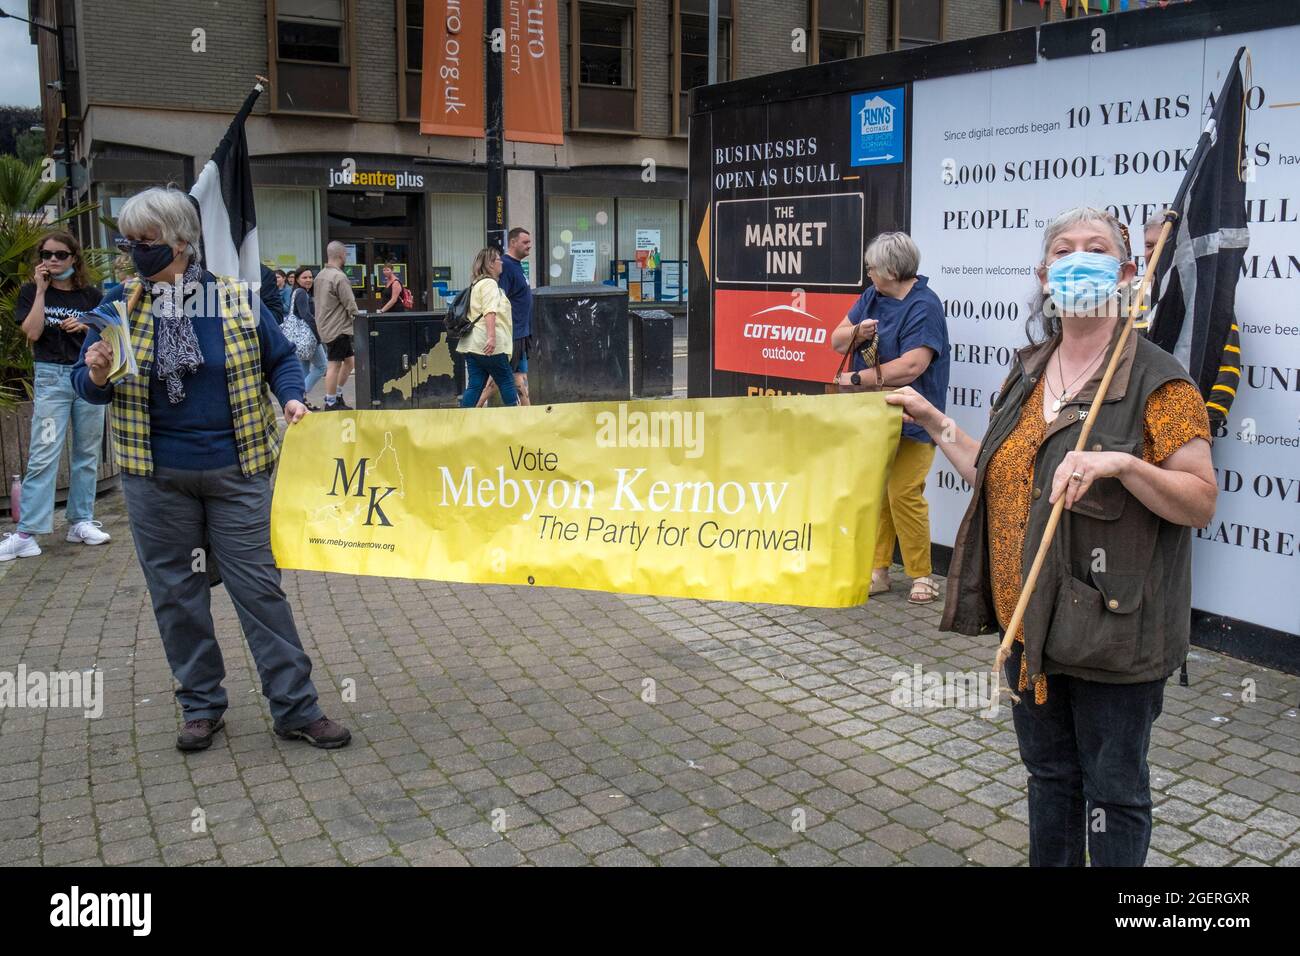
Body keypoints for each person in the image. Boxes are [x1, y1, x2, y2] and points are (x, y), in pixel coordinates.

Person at [886, 206, 1216, 866]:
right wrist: (931, 417)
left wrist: (1121, 464)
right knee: (1051, 783)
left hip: (1111, 637)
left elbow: (1199, 501)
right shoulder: (1028, 369)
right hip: (1028, 626)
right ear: (1044, 275)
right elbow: (995, 474)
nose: (1078, 258)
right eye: (1063, 250)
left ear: (1127, 274)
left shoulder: (1159, 381)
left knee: (1112, 794)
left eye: (1096, 248)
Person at [71, 186, 350, 752]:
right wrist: (96, 372)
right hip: (155, 477)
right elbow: (88, 384)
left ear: (179, 243)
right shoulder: (117, 306)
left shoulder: (236, 299)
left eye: (142, 242)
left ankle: (296, 708)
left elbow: (280, 360)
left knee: (259, 590)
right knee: (177, 593)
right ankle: (201, 706)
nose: (131, 252)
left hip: (238, 469)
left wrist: (293, 397)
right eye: (127, 241)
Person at [830, 231, 950, 604]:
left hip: (914, 418)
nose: (868, 275)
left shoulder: (924, 305)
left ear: (892, 270)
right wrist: (855, 332)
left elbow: (913, 365)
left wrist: (855, 379)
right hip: (873, 416)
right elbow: (835, 340)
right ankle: (878, 570)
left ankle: (922, 575)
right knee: (877, 492)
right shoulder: (872, 297)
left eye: (872, 269)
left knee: (903, 492)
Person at [1, 230, 110, 561]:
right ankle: (27, 532)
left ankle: (81, 521)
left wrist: (85, 326)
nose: (52, 260)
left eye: (60, 255)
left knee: (87, 451)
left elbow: (109, 334)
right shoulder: (31, 292)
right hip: (51, 378)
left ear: (74, 258)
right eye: (46, 255)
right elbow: (32, 332)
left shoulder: (92, 296)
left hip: (87, 376)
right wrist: (41, 293)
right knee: (44, 452)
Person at [478, 227, 534, 406]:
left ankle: (528, 416)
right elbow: (498, 300)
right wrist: (493, 333)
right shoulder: (507, 266)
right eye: (525, 242)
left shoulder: (516, 265)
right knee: (500, 377)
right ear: (513, 242)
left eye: (529, 242)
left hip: (521, 332)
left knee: (520, 377)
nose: (529, 246)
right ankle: (472, 408)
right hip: (512, 333)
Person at [458, 247, 518, 407]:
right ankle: (516, 419)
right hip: (489, 344)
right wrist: (491, 337)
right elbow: (489, 311)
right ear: (491, 264)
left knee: (475, 385)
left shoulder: (476, 284)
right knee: (506, 381)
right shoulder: (490, 284)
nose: (502, 262)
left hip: (473, 345)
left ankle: (462, 421)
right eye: (499, 259)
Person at [314, 241, 359, 411]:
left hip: (325, 326)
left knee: (350, 362)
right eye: (346, 255)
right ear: (341, 255)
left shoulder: (320, 276)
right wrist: (358, 318)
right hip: (338, 328)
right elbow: (350, 303)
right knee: (334, 365)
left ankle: (337, 394)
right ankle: (331, 402)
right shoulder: (339, 277)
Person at [291, 266, 326, 409]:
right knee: (322, 366)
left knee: (304, 370)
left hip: (300, 338)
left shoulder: (298, 292)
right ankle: (299, 395)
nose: (308, 280)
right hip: (308, 337)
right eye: (304, 277)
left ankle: (301, 401)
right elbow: (306, 315)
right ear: (297, 279)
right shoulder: (301, 293)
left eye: (310, 277)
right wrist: (318, 335)